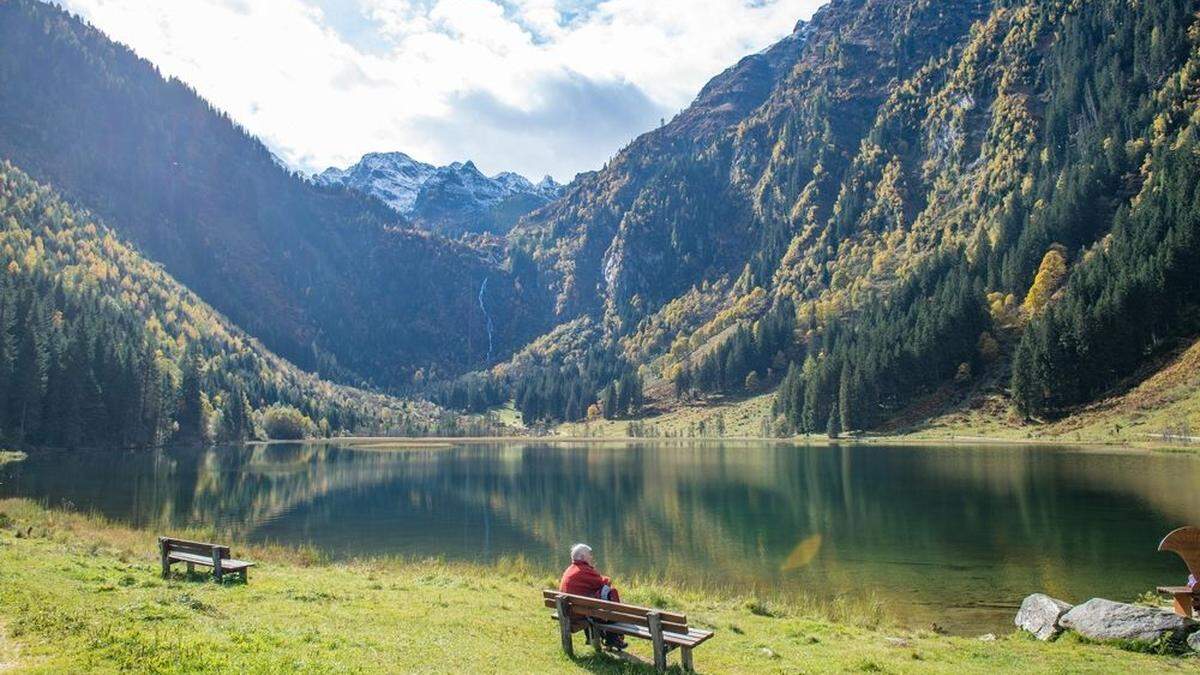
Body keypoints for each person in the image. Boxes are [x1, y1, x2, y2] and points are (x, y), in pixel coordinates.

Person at [559, 543, 628, 650]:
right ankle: (613, 638)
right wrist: (606, 580)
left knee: (600, 602)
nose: (591, 557)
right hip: (580, 615)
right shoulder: (583, 570)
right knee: (611, 594)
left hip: (570, 612)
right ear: (582, 557)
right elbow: (604, 582)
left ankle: (609, 638)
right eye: (589, 554)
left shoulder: (570, 569)